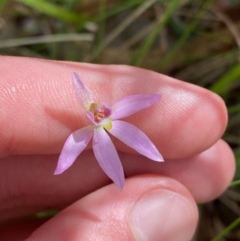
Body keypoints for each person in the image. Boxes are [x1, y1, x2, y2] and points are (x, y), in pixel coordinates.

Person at [0, 56, 235, 241]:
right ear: (90, 112)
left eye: (100, 111)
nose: (99, 113)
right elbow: (67, 156)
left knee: (145, 153)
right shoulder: (80, 137)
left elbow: (145, 110)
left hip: (112, 131)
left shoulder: (117, 117)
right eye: (95, 113)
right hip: (100, 137)